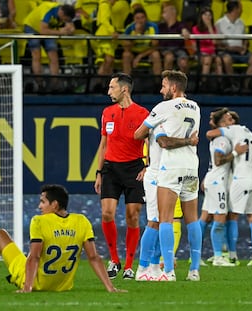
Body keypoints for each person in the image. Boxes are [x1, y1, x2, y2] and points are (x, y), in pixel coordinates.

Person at [0, 184, 125, 293]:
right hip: (63, 287)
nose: (39, 206)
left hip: (34, 282)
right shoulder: (81, 221)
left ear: (54, 205)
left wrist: (27, 287)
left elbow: (34, 257)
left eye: (42, 202)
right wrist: (110, 287)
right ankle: (3, 280)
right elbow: (94, 257)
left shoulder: (39, 221)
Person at [134, 70, 202, 281]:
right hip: (192, 166)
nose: (161, 90)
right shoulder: (195, 107)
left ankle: (167, 271)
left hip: (169, 167)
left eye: (163, 86)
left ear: (173, 88)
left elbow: (138, 134)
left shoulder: (163, 108)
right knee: (192, 220)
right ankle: (194, 271)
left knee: (163, 220)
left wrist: (148, 128)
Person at [94, 72, 149, 280]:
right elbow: (104, 144)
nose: (109, 92)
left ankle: (128, 265)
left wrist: (147, 166)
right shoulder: (107, 112)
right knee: (107, 213)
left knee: (132, 216)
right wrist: (99, 172)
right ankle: (114, 260)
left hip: (134, 168)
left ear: (123, 89)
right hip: (111, 169)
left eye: (111, 88)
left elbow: (149, 143)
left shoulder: (143, 113)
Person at [206, 112, 252, 267]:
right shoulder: (248, 132)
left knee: (232, 216)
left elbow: (209, 133)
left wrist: (232, 146)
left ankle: (232, 256)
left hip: (241, 177)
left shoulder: (233, 130)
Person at [202, 108, 247, 267]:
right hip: (218, 182)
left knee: (205, 218)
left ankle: (196, 256)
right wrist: (236, 153)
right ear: (221, 124)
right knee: (220, 218)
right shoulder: (223, 139)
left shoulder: (224, 138)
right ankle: (218, 257)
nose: (232, 122)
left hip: (213, 179)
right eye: (228, 120)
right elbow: (219, 160)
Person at [23, 3, 76, 93]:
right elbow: (43, 30)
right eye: (65, 19)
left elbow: (71, 28)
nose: (65, 21)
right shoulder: (48, 11)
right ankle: (39, 85)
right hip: (32, 27)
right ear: (62, 14)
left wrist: (70, 29)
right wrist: (61, 32)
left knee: (53, 55)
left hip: (49, 28)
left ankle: (54, 85)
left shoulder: (65, 12)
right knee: (36, 55)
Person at [215, 1, 252, 93]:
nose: (242, 10)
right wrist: (229, 48)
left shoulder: (241, 22)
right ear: (235, 10)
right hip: (227, 51)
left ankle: (245, 85)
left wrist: (244, 47)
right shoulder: (219, 23)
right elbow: (217, 42)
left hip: (241, 52)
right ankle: (233, 84)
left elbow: (245, 38)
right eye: (240, 8)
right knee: (226, 60)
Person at [122, 8, 162, 79]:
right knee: (126, 55)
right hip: (133, 52)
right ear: (134, 20)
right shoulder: (129, 28)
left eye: (142, 18)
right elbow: (126, 48)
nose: (140, 21)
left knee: (156, 54)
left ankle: (157, 83)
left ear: (146, 18)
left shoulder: (153, 26)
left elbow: (155, 46)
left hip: (148, 52)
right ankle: (126, 83)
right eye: (137, 18)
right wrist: (136, 35)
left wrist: (140, 56)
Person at [191, 7, 223, 91]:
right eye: (205, 14)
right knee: (207, 60)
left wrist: (209, 27)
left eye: (209, 15)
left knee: (218, 61)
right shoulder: (195, 28)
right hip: (200, 53)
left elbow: (215, 42)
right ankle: (203, 84)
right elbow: (194, 46)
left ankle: (220, 85)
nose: (207, 17)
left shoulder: (213, 28)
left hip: (212, 53)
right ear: (201, 16)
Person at [158, 4, 191, 73]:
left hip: (179, 49)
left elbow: (184, 30)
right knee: (169, 57)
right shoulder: (161, 26)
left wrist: (184, 31)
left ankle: (183, 82)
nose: (162, 15)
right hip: (165, 49)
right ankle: (167, 81)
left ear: (171, 13)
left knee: (183, 62)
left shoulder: (181, 24)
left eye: (164, 12)